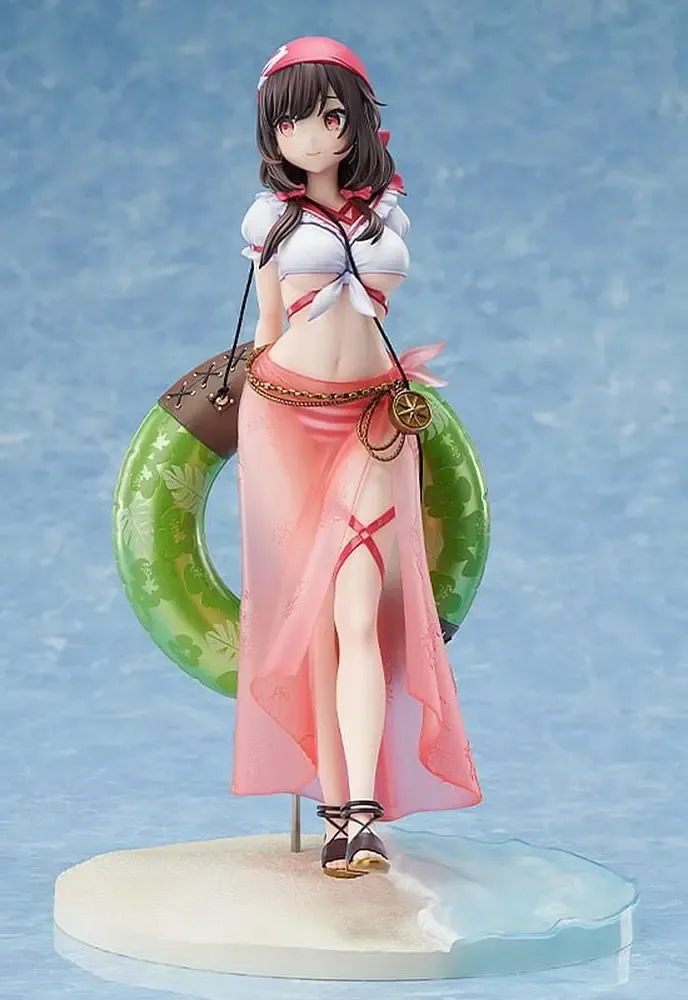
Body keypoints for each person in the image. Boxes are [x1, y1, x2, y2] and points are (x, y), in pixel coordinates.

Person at [232, 36, 481, 878]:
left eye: (330, 116)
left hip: (373, 416)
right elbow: (268, 327)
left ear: (357, 121)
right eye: (291, 121)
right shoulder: (269, 221)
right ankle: (336, 809)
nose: (311, 134)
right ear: (273, 130)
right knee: (316, 621)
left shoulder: (387, 215)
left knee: (357, 609)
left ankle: (362, 818)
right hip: (288, 421)